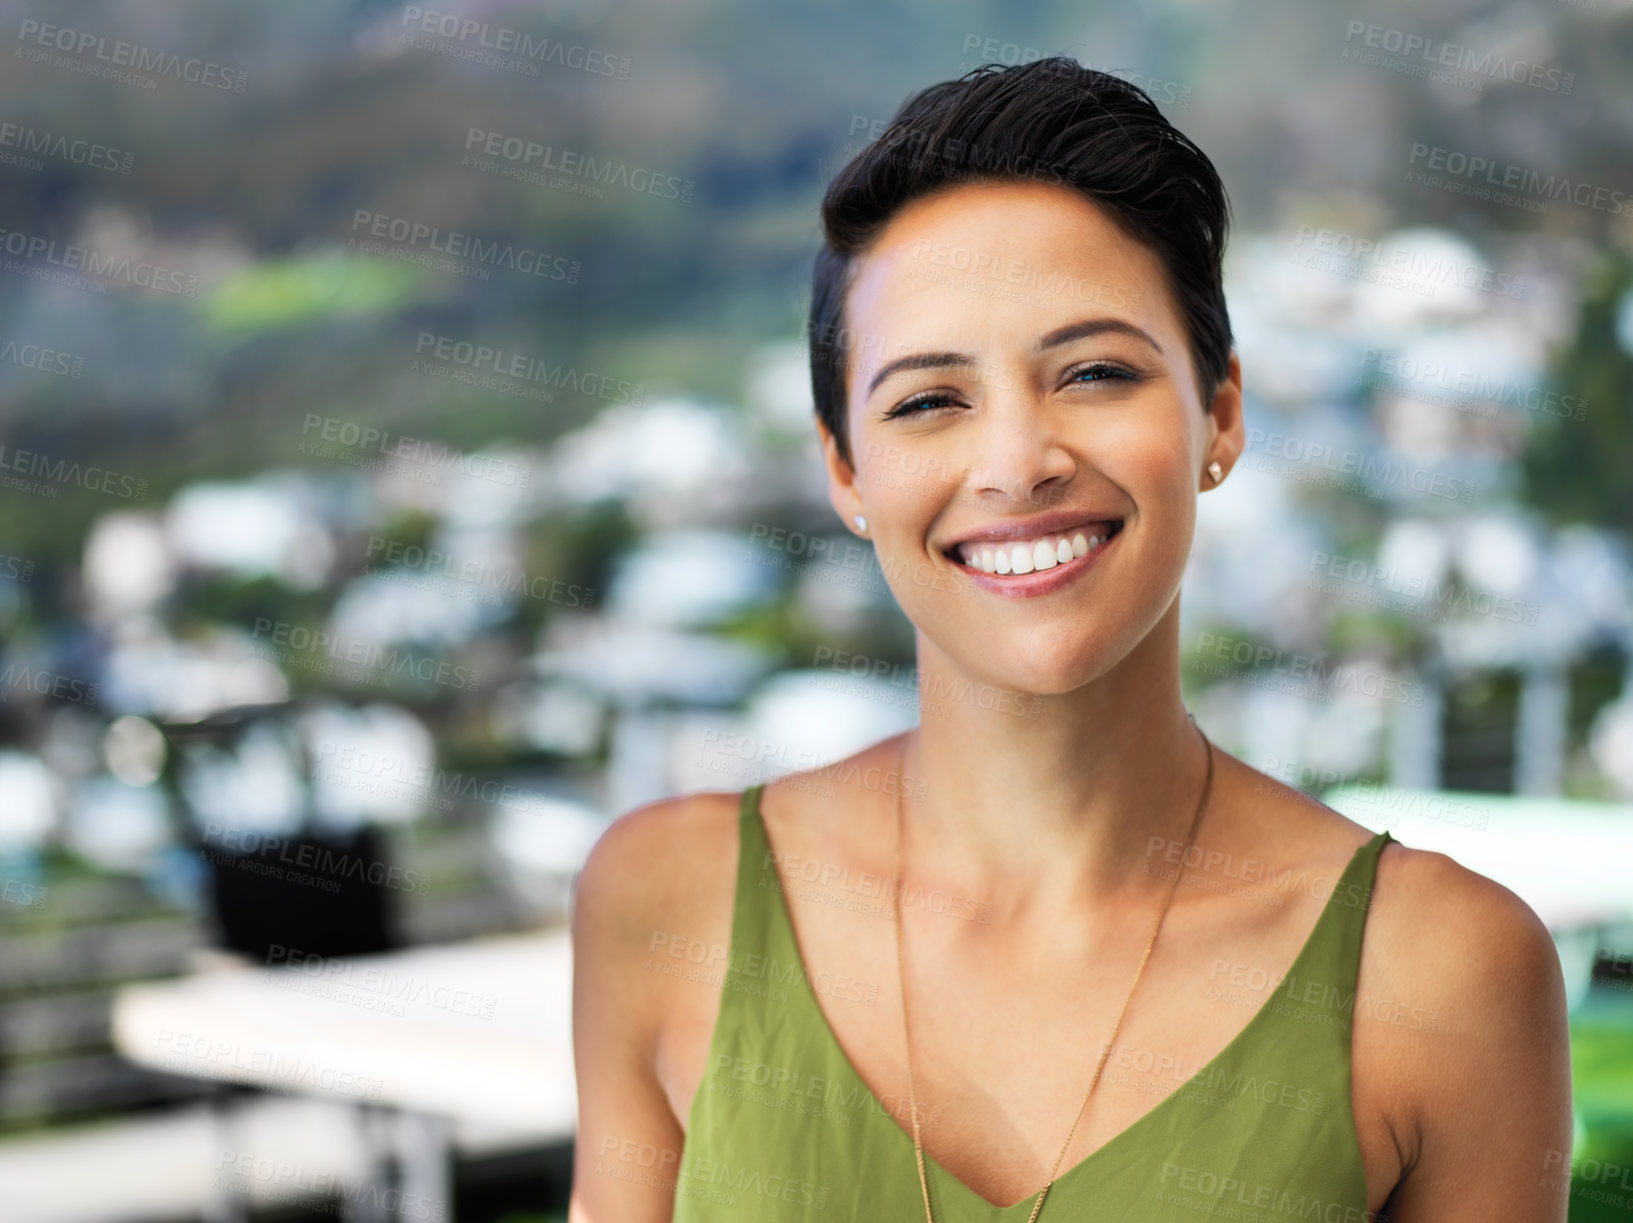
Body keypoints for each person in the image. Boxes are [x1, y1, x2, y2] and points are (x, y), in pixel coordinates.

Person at [568, 57, 1571, 1222]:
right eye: (928, 399)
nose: (1017, 462)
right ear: (845, 467)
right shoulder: (664, 904)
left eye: (1093, 371)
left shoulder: (1443, 972)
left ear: (1221, 413)